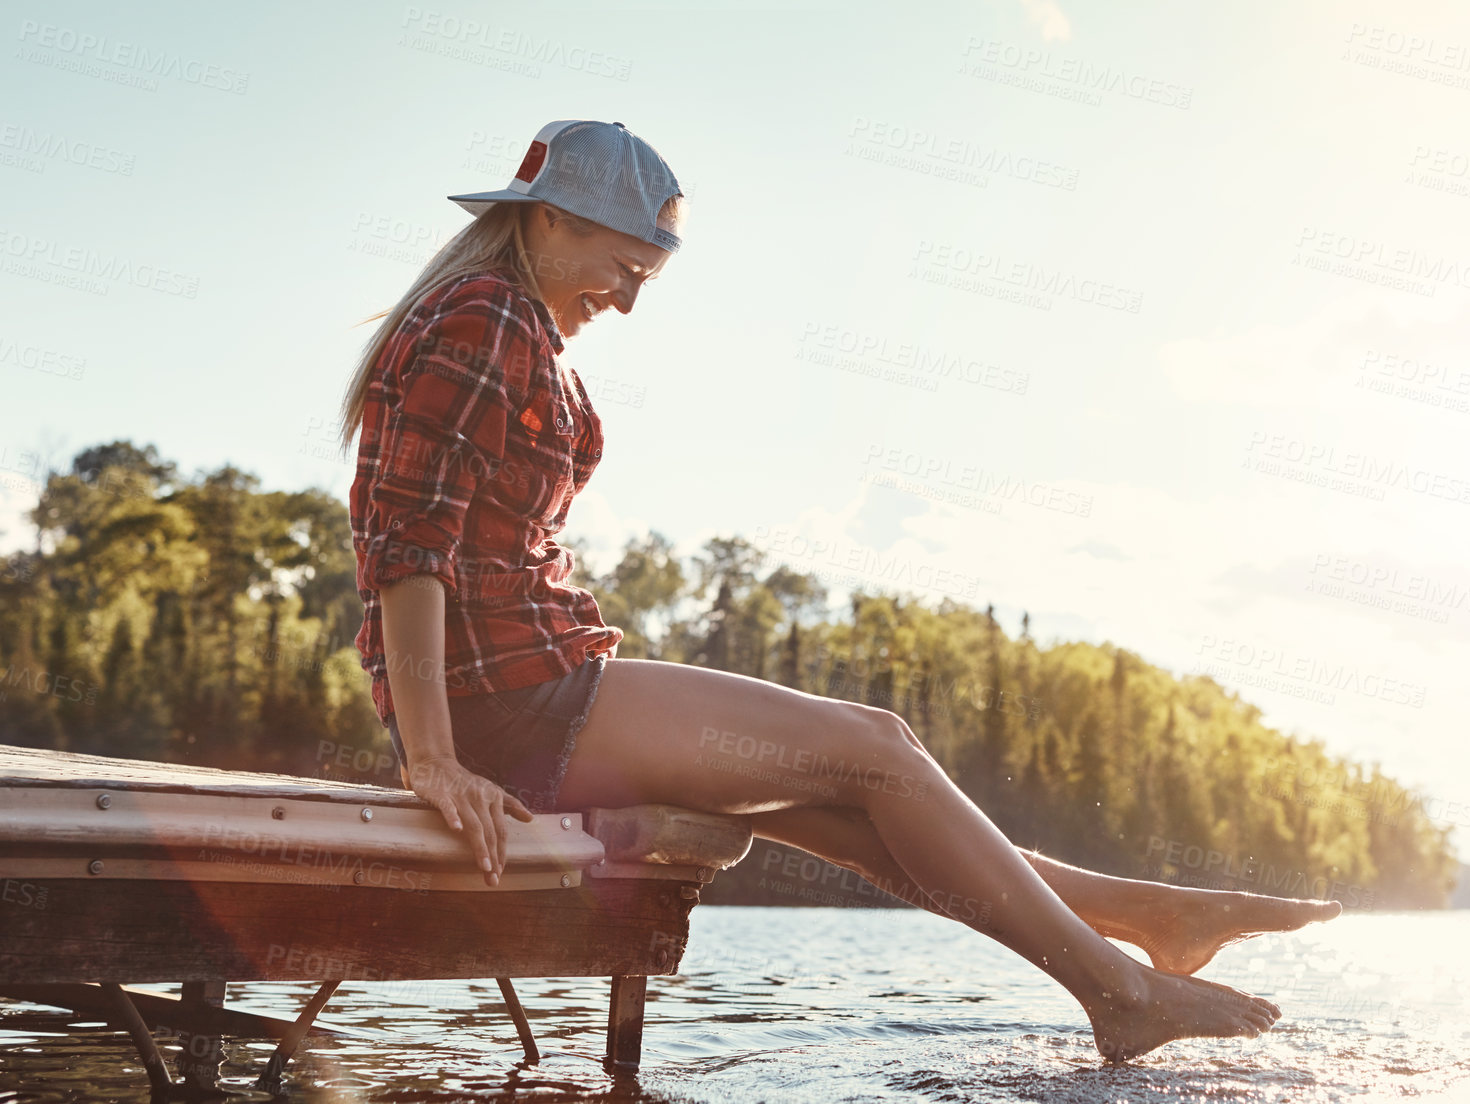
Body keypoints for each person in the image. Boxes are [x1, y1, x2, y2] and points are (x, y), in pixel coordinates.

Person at [339, 119, 1340, 1063]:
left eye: (648, 277)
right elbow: (408, 546)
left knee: (862, 817)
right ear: (549, 218)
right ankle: (1118, 992)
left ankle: (1136, 918)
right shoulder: (483, 319)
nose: (630, 300)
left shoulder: (514, 326)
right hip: (508, 705)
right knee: (877, 746)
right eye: (624, 267)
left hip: (529, 688)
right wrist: (433, 758)